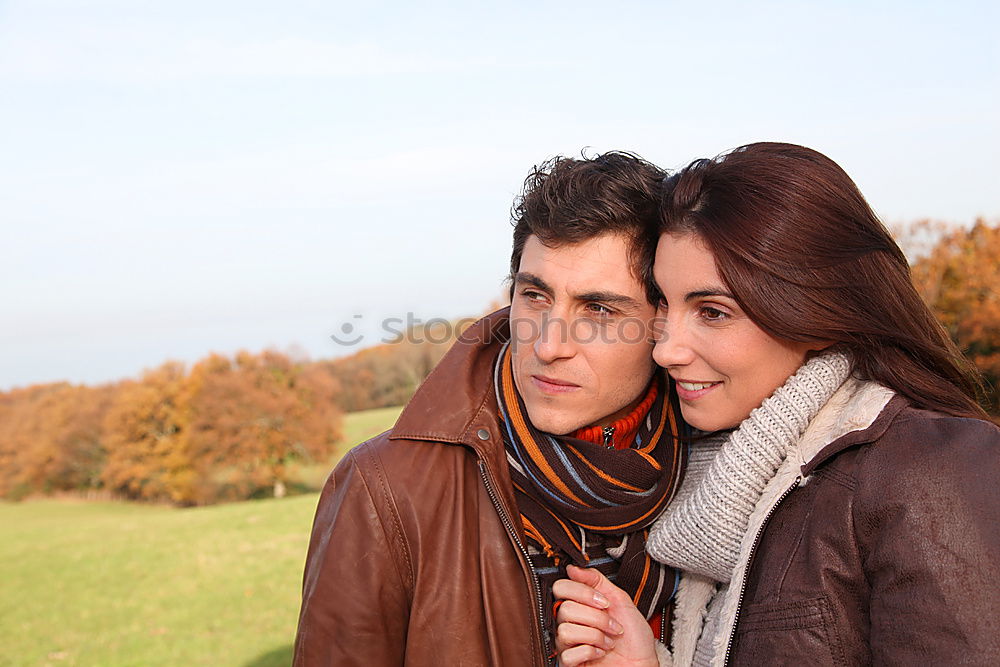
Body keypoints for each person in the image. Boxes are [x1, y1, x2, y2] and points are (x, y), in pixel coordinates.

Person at [553, 142, 1000, 666]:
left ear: (813, 310)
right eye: (665, 306)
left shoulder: (930, 467)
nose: (666, 348)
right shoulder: (708, 474)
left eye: (714, 312)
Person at [293, 152, 689, 666]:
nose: (548, 344)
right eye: (536, 297)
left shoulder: (711, 466)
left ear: (663, 320)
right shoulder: (384, 488)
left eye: (598, 309)